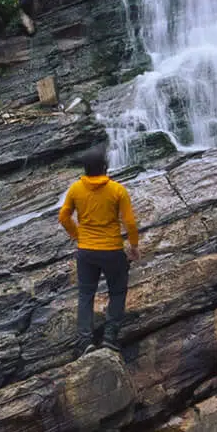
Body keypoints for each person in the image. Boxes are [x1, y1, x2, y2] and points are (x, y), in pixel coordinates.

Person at [57, 148, 140, 351]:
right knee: (118, 291)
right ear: (105, 167)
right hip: (112, 250)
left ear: (85, 169)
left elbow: (63, 217)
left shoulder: (76, 189)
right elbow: (129, 221)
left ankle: (85, 340)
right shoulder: (117, 190)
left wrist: (79, 236)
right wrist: (134, 246)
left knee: (86, 294)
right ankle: (110, 336)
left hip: (86, 252)